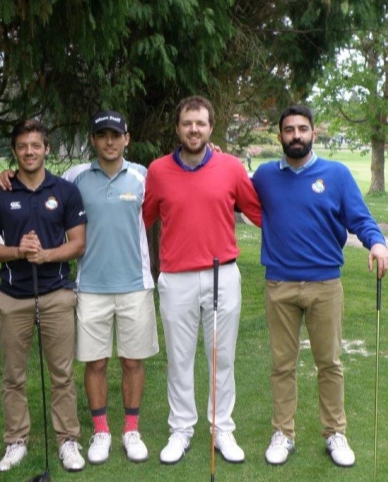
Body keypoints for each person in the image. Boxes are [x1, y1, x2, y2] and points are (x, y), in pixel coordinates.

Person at [0, 111, 159, 465]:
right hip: (89, 286)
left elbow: (181, 175)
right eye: (102, 135)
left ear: (126, 139)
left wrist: (217, 153)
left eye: (116, 135)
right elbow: (38, 179)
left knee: (132, 360)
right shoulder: (74, 178)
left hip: (135, 284)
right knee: (94, 362)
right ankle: (101, 431)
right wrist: (6, 175)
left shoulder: (145, 176)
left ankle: (131, 429)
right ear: (94, 140)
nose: (110, 142)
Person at [251, 105, 388, 468]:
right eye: (288, 130)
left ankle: (334, 433)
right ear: (279, 135)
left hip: (325, 284)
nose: (295, 135)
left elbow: (360, 218)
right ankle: (283, 432)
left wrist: (376, 242)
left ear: (314, 132)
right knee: (282, 364)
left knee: (329, 362)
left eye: (302, 129)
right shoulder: (264, 175)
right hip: (279, 284)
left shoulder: (337, 174)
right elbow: (234, 194)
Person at [142, 96, 262, 465]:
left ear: (211, 128)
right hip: (176, 277)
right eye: (187, 123)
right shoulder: (158, 171)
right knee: (179, 359)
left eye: (200, 123)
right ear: (177, 128)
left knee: (221, 356)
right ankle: (181, 428)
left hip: (221, 274)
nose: (194, 129)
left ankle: (221, 427)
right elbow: (141, 220)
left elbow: (258, 211)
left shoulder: (230, 167)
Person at [0, 119, 88, 473]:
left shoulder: (65, 191)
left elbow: (78, 244)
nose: (29, 152)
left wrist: (47, 255)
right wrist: (18, 251)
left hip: (56, 293)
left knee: (62, 373)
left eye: (35, 145)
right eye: (22, 146)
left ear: (46, 149)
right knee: (13, 376)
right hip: (13, 296)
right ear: (14, 151)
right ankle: (16, 441)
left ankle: (68, 440)